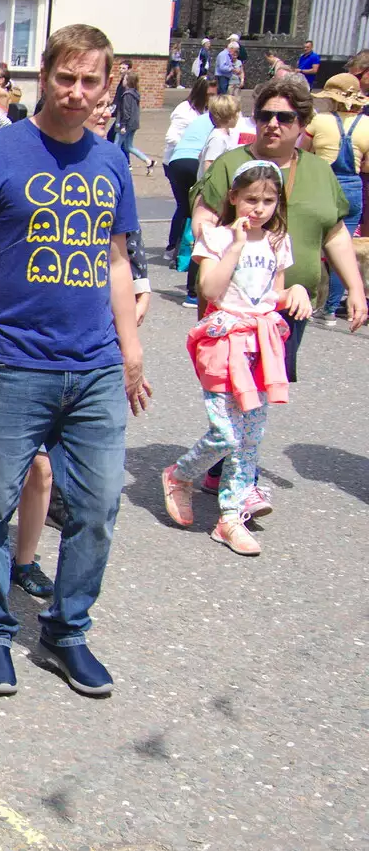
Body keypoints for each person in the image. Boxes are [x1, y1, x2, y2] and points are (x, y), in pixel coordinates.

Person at [0, 23, 152, 698]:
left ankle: (66, 633)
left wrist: (132, 348)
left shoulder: (111, 161)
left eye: (92, 80)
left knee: (95, 508)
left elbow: (118, 263)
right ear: (44, 76)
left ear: (108, 85)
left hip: (93, 367)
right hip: (11, 363)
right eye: (66, 77)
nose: (77, 92)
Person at [163, 160, 311, 556]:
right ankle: (180, 474)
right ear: (234, 198)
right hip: (224, 340)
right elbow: (210, 288)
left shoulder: (279, 241)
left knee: (250, 437)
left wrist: (295, 293)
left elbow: (271, 293)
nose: (259, 208)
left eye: (268, 200)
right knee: (226, 432)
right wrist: (236, 245)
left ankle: (230, 518)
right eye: (250, 199)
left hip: (261, 344)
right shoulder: (215, 237)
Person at [301, 73, 369, 319]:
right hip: (352, 187)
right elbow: (367, 166)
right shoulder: (367, 125)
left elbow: (301, 152)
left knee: (310, 245)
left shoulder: (319, 122)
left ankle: (308, 301)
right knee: (343, 250)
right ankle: (330, 309)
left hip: (322, 184)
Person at [165, 79, 215, 258]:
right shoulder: (184, 110)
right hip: (177, 160)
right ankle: (174, 247)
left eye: (214, 94)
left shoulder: (207, 112)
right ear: (200, 93)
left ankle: (181, 247)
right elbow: (171, 137)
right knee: (185, 206)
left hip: (191, 160)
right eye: (209, 94)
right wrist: (190, 145)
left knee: (189, 206)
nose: (212, 98)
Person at [113, 71, 154, 172]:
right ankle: (148, 161)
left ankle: (115, 165)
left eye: (125, 79)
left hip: (126, 124)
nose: (123, 81)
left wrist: (123, 125)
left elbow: (126, 111)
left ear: (128, 82)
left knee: (116, 146)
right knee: (129, 146)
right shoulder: (135, 93)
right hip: (133, 124)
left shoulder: (127, 95)